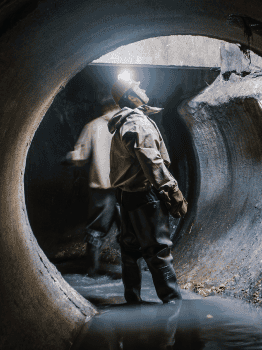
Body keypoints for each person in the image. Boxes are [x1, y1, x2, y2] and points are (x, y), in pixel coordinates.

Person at [107, 76, 188, 304]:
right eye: (138, 86)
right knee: (159, 252)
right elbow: (152, 163)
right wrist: (173, 194)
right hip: (144, 197)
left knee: (130, 250)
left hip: (126, 196)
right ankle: (173, 306)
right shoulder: (138, 124)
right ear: (131, 96)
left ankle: (133, 302)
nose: (143, 87)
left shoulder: (124, 122)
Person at [61, 99, 121, 276]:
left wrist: (68, 158)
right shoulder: (129, 124)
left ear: (104, 107)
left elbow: (80, 156)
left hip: (102, 189)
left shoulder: (93, 126)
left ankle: (92, 271)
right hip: (128, 189)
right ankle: (132, 275)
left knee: (96, 231)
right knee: (131, 232)